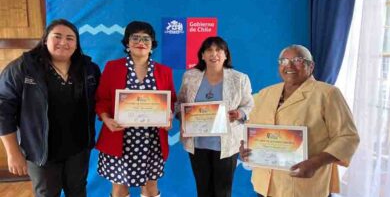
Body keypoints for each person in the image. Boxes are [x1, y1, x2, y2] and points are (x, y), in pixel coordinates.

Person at [240, 44, 360, 197]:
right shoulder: (266, 93)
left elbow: (348, 137)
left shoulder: (328, 94)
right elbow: (252, 129)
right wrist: (245, 148)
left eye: (297, 60)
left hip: (305, 186)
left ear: (311, 66)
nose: (289, 65)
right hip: (266, 185)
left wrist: (315, 163)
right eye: (283, 61)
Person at [0, 19, 101, 197]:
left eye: (70, 38)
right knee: (47, 194)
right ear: (45, 39)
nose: (63, 42)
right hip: (40, 151)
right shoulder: (23, 68)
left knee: (78, 192)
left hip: (78, 149)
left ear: (76, 44)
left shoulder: (89, 69)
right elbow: (3, 111)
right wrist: (13, 152)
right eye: (57, 36)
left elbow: (102, 100)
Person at [95, 21, 177, 197]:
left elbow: (171, 102)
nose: (141, 42)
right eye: (135, 37)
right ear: (127, 43)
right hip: (119, 137)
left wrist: (168, 117)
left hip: (152, 141)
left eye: (146, 38)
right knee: (119, 189)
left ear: (152, 44)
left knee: (150, 188)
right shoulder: (113, 67)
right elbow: (102, 100)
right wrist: (106, 119)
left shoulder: (164, 71)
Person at [175, 36, 254, 197]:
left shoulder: (239, 78)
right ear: (202, 55)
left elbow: (249, 105)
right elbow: (179, 103)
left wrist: (240, 113)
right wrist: (182, 116)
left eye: (219, 50)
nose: (214, 54)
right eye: (209, 50)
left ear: (226, 55)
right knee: (203, 190)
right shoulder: (190, 77)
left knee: (223, 192)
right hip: (197, 144)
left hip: (227, 144)